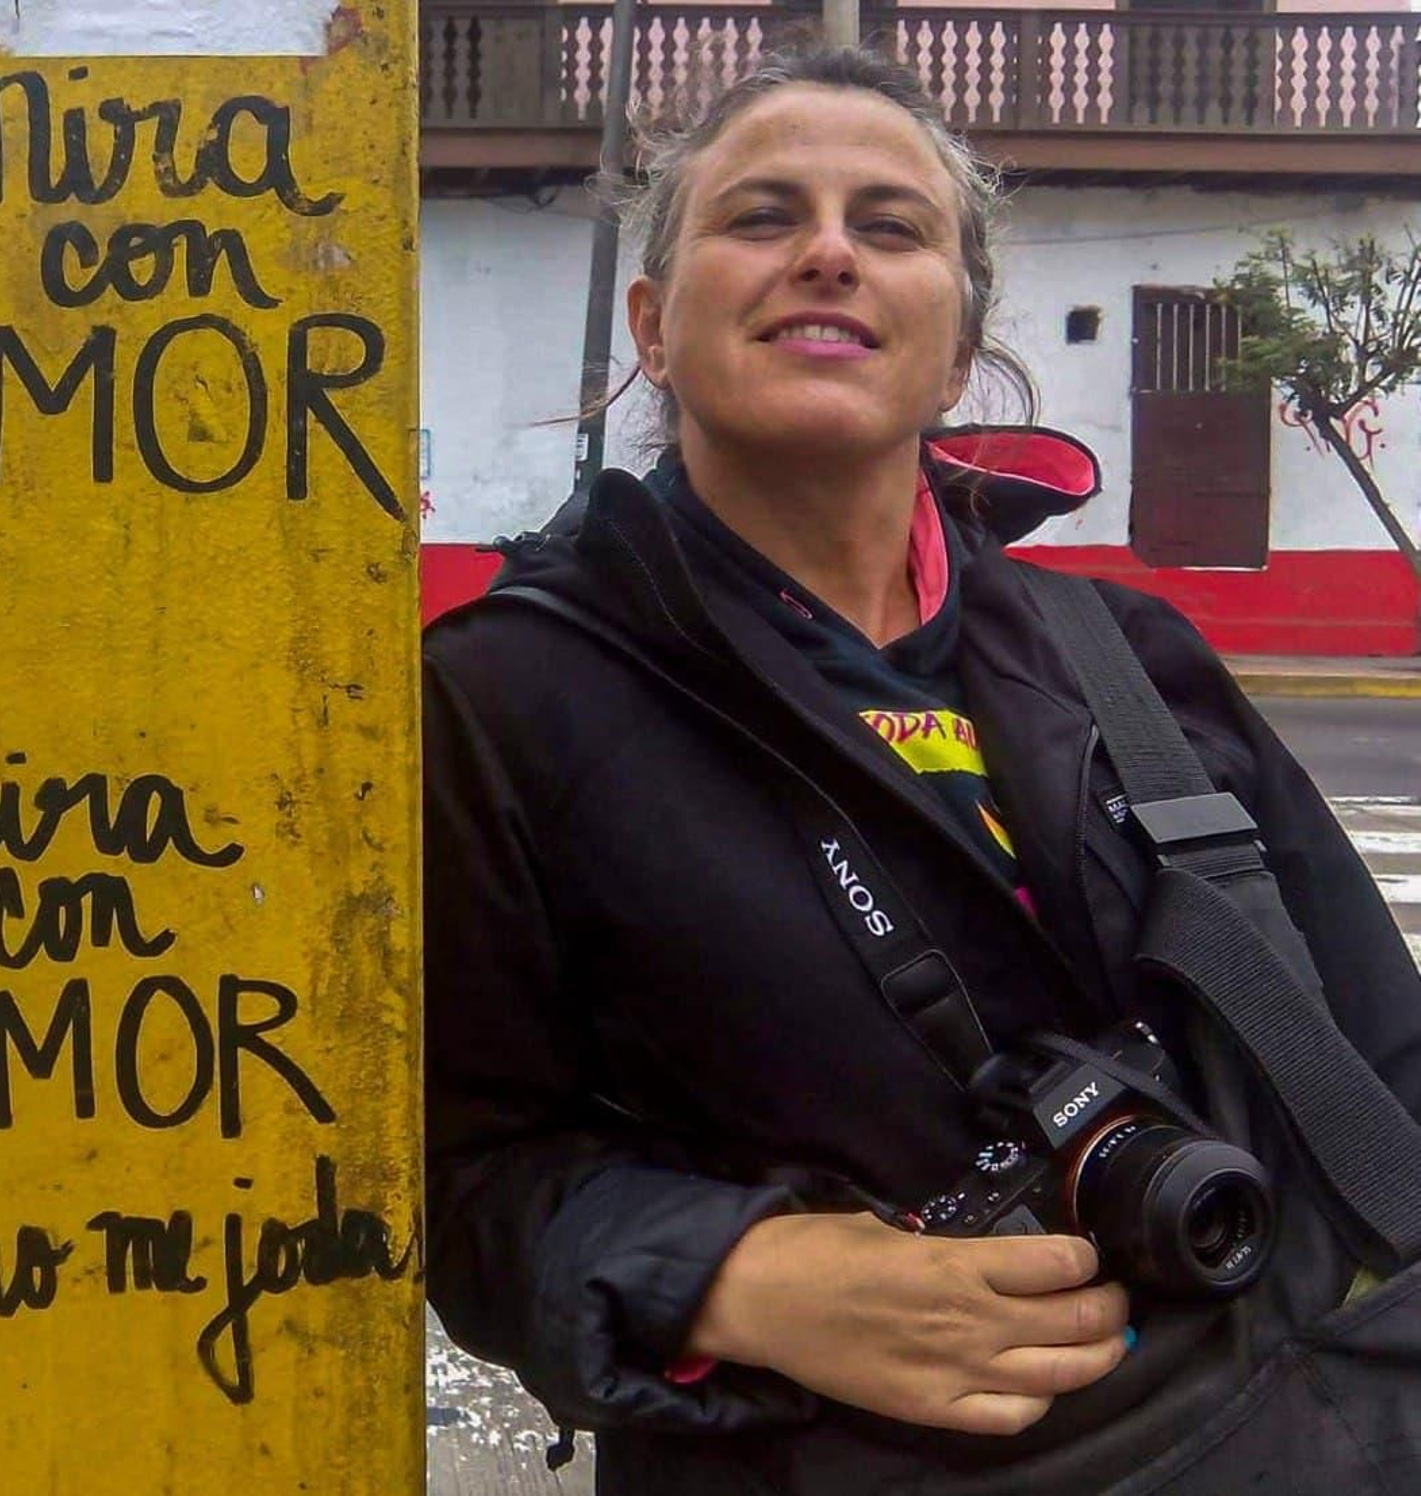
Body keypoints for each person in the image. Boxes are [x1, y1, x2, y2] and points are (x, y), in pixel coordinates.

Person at [422, 42, 1421, 1496]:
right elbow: (457, 1174)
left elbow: (1380, 1058)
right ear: (652, 320)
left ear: (958, 342)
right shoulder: (505, 699)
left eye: (889, 227)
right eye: (762, 217)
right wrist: (738, 1276)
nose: (827, 252)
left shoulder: (1134, 657)